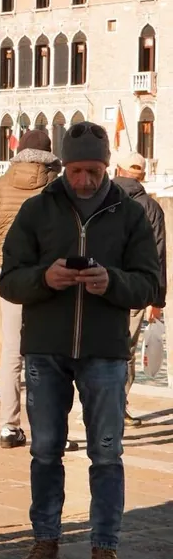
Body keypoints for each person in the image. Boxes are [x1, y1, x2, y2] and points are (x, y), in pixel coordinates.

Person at [0, 121, 159, 559]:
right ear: (63, 167)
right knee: (45, 451)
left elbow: (151, 284)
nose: (85, 180)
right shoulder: (36, 210)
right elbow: (9, 280)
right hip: (46, 349)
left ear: (107, 167)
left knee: (106, 454)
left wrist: (113, 282)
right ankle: (44, 546)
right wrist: (44, 279)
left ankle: (105, 552)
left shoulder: (130, 215)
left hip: (104, 351)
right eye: (76, 171)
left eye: (94, 171)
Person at [0, 129, 61, 448]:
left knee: (12, 353)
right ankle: (52, 429)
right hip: (49, 279)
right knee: (51, 354)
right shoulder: (56, 187)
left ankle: (8, 427)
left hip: (10, 277)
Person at [114, 150, 166, 422]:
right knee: (126, 350)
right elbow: (158, 256)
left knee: (99, 346)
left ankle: (95, 402)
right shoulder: (151, 208)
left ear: (117, 171)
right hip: (134, 288)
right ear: (143, 176)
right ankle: (117, 406)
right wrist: (157, 300)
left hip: (99, 284)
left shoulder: (99, 199)